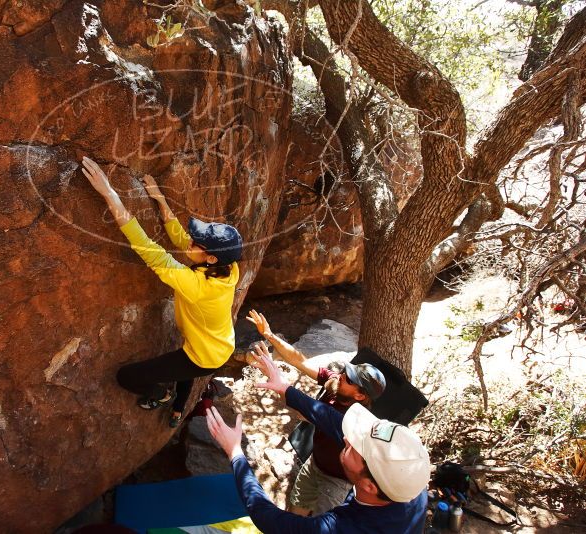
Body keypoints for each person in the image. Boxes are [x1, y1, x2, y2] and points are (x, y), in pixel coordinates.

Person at [81, 157, 242, 427]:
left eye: (198, 242)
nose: (191, 241)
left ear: (211, 258)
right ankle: (180, 409)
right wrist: (160, 199)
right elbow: (181, 238)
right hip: (219, 344)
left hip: (205, 356)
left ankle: (162, 395)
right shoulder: (229, 267)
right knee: (187, 360)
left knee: (128, 377)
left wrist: (110, 194)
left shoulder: (199, 286)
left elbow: (148, 249)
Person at [206, 347, 429, 533]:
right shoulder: (409, 485)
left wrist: (235, 453)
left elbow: (269, 519)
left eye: (356, 447)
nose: (348, 439)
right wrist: (285, 388)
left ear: (369, 485)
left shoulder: (339, 528)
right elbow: (331, 419)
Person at [246, 310, 387, 515]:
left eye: (349, 378)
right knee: (296, 513)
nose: (341, 376)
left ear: (359, 396)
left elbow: (303, 413)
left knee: (323, 526)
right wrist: (269, 335)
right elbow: (300, 360)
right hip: (315, 464)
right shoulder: (336, 385)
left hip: (338, 481)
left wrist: (275, 380)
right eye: (345, 372)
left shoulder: (352, 421)